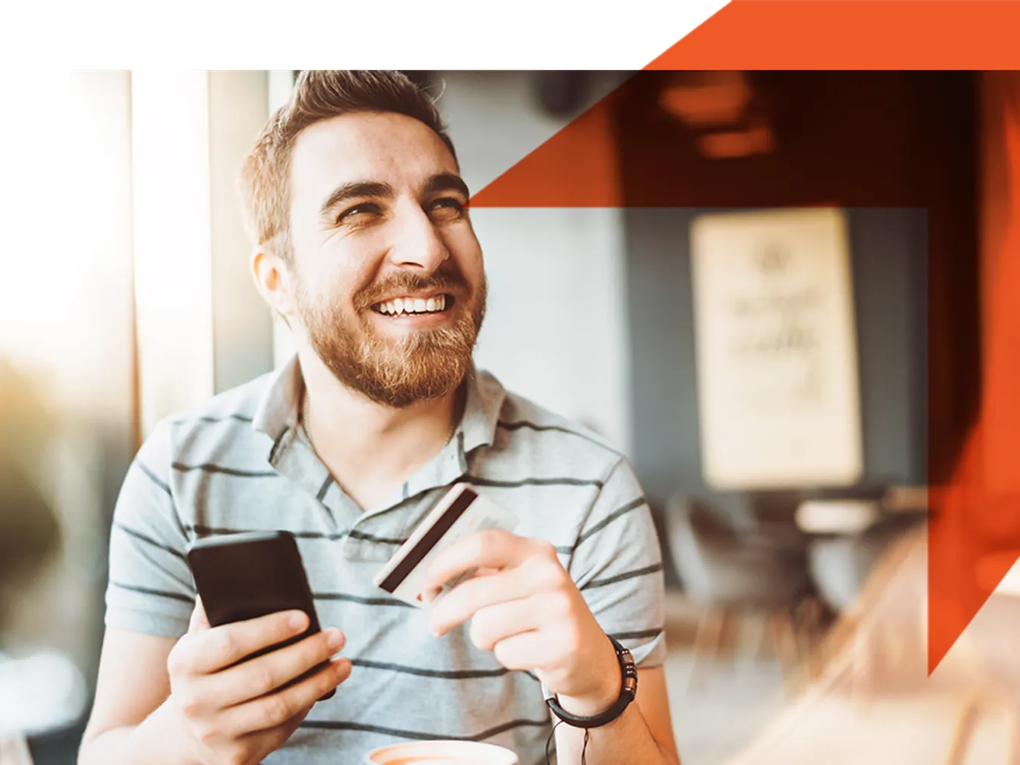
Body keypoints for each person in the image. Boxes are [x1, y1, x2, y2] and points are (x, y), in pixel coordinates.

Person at [78, 69, 679, 765]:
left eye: (446, 204)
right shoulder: (181, 470)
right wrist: (187, 738)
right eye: (360, 211)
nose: (428, 248)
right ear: (277, 279)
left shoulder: (589, 488)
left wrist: (595, 687)